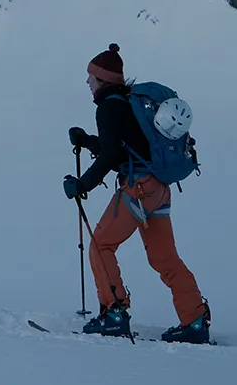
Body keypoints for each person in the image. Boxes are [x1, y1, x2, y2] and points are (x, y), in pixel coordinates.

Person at [64, 44, 211, 343]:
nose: (87, 83)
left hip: (138, 189)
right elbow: (121, 151)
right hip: (158, 190)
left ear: (103, 80)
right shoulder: (129, 104)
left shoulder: (108, 107)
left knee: (101, 246)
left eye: (90, 78)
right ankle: (195, 321)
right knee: (164, 259)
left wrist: (81, 185)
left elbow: (109, 160)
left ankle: (114, 314)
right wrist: (88, 141)